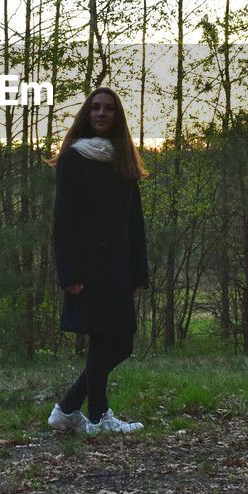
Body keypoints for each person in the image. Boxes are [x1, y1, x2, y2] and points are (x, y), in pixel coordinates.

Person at [45, 86, 149, 436]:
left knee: (120, 342)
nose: (101, 114)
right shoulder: (75, 158)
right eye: (95, 109)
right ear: (87, 115)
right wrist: (68, 273)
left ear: (116, 116)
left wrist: (138, 270)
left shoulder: (122, 160)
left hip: (118, 266)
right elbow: (63, 221)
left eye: (108, 109)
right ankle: (96, 415)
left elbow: (135, 221)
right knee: (107, 339)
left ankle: (69, 408)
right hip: (88, 268)